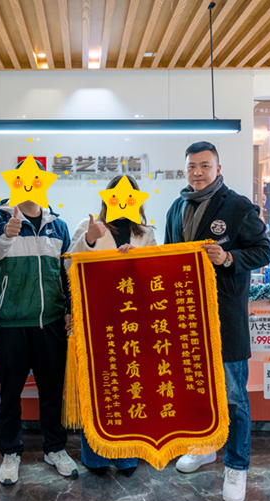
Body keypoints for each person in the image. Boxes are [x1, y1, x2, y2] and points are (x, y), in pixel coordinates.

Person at [165, 141, 270, 501]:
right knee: (196, 390)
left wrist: (228, 257)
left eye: (204, 166)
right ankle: (204, 446)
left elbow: (263, 251)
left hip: (226, 318)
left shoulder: (238, 206)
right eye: (191, 166)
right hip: (187, 317)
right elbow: (166, 257)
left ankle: (236, 466)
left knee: (234, 397)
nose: (197, 172)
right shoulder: (176, 208)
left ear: (218, 168)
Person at [0, 159, 78, 485]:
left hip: (51, 323)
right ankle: (10, 452)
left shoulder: (58, 225)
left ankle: (55, 448)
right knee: (10, 393)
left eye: (37, 180)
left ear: (44, 184)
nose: (31, 185)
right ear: (14, 183)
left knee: (52, 391)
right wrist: (6, 233)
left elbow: (67, 272)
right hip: (11, 323)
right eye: (23, 180)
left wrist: (69, 307)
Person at [68, 175, 157, 478]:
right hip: (96, 320)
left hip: (132, 323)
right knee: (97, 388)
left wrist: (138, 260)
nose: (122, 201)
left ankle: (127, 456)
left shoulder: (146, 233)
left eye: (130, 196)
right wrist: (90, 240)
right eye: (116, 196)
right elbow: (68, 267)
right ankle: (95, 457)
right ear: (107, 198)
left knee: (132, 388)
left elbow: (155, 276)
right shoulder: (89, 225)